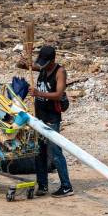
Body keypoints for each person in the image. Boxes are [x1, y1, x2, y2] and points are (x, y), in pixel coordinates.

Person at [29, 45, 74, 197]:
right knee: (39, 151)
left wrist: (38, 92)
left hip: (51, 118)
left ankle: (67, 186)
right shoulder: (42, 67)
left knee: (55, 152)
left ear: (52, 60)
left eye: (45, 62)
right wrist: (25, 58)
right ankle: (42, 185)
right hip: (39, 117)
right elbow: (21, 65)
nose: (42, 65)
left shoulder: (59, 72)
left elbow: (58, 94)